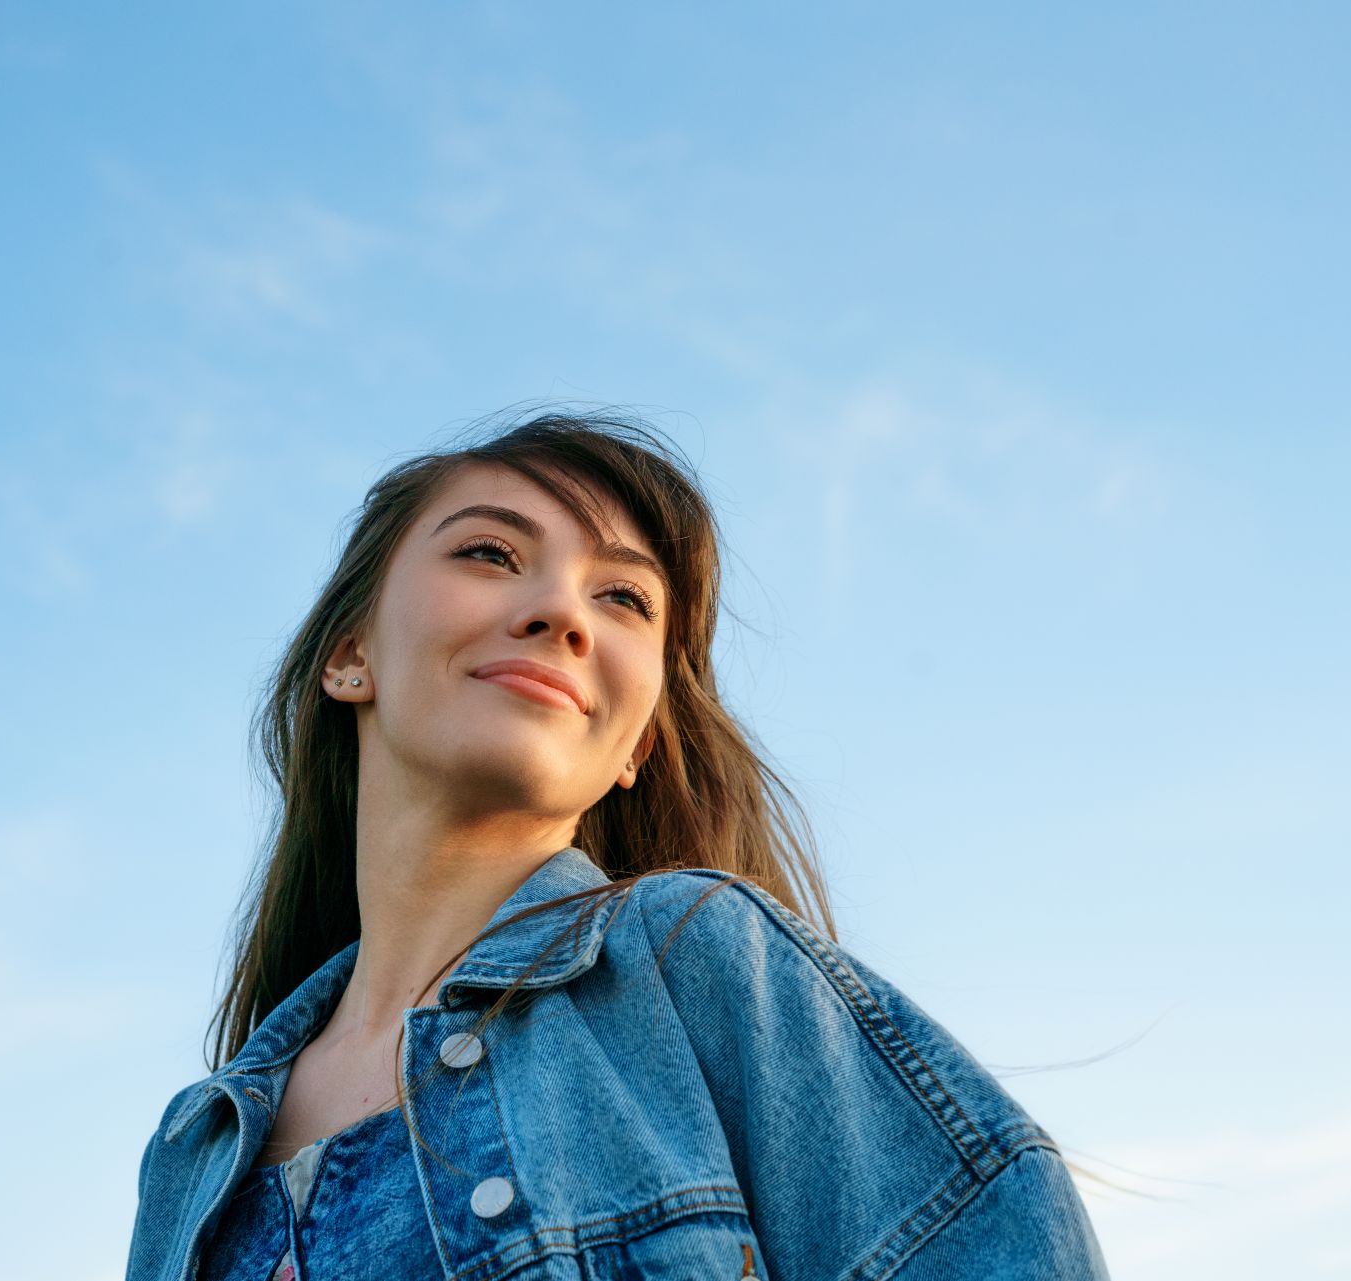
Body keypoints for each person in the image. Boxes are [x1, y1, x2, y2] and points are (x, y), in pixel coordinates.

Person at [124, 407, 1111, 1280]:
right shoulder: (194, 1148)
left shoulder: (698, 956)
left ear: (638, 739)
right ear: (350, 656)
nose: (560, 611)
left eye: (624, 599)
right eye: (490, 554)